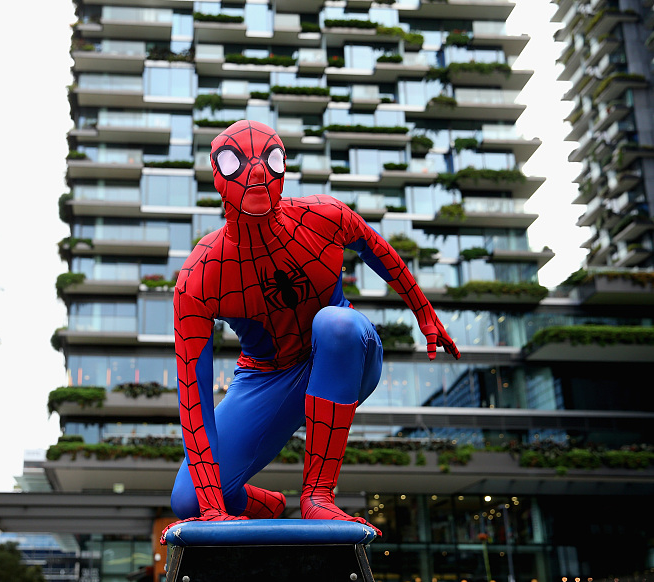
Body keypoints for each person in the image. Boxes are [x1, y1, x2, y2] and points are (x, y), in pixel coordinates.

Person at [165, 120, 460, 540]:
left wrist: (425, 313)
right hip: (266, 375)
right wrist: (213, 507)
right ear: (218, 176)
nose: (256, 173)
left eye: (269, 159)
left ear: (282, 167)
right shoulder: (201, 275)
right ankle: (269, 504)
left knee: (334, 323)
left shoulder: (322, 216)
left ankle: (318, 495)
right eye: (236, 163)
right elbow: (193, 397)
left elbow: (378, 249)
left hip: (342, 353)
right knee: (187, 499)